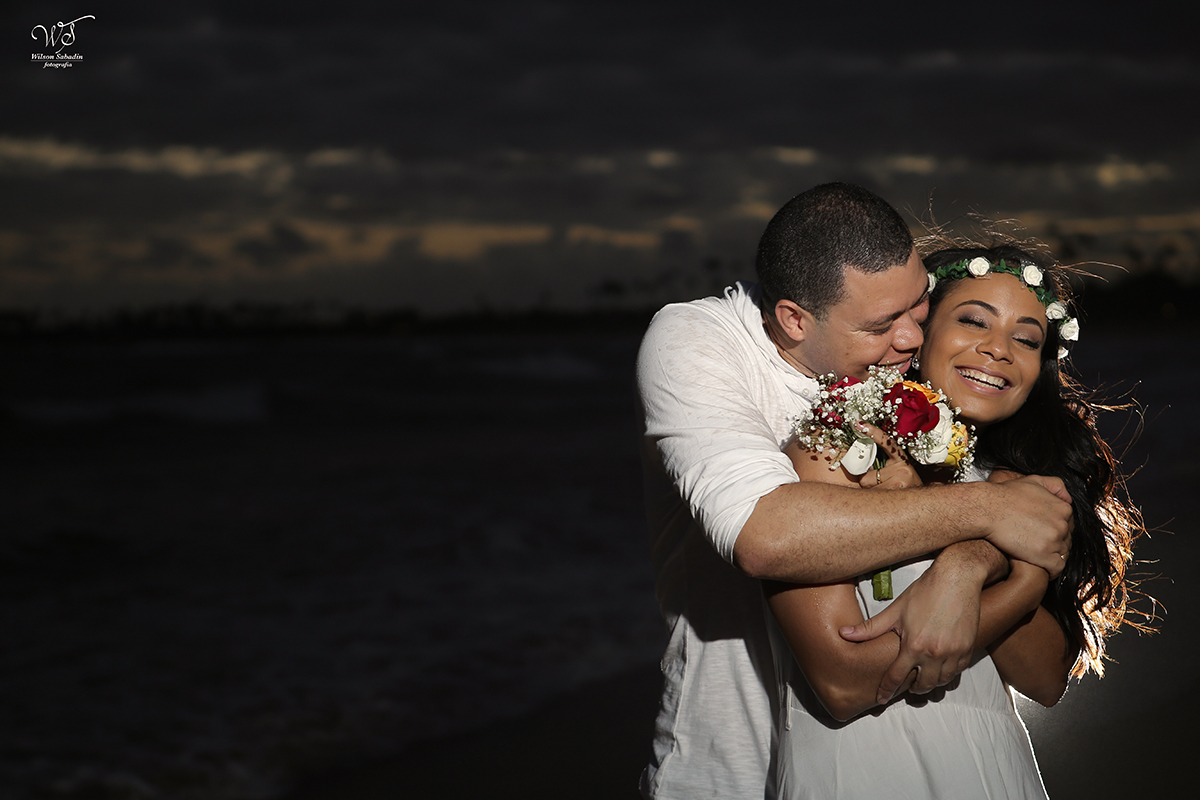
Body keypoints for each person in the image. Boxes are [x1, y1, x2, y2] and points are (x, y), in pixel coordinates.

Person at [636, 184, 1074, 800]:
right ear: (794, 319)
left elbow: (1047, 673)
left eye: (919, 310)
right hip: (730, 760)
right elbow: (767, 538)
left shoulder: (924, 421)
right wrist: (992, 517)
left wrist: (974, 561)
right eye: (880, 326)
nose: (909, 340)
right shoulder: (703, 343)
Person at [765, 238, 1146, 798]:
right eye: (974, 321)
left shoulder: (1017, 485)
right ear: (917, 335)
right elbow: (842, 685)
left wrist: (969, 564)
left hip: (990, 766)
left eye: (1026, 339)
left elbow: (1043, 678)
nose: (999, 350)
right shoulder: (842, 447)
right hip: (862, 768)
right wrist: (1011, 564)